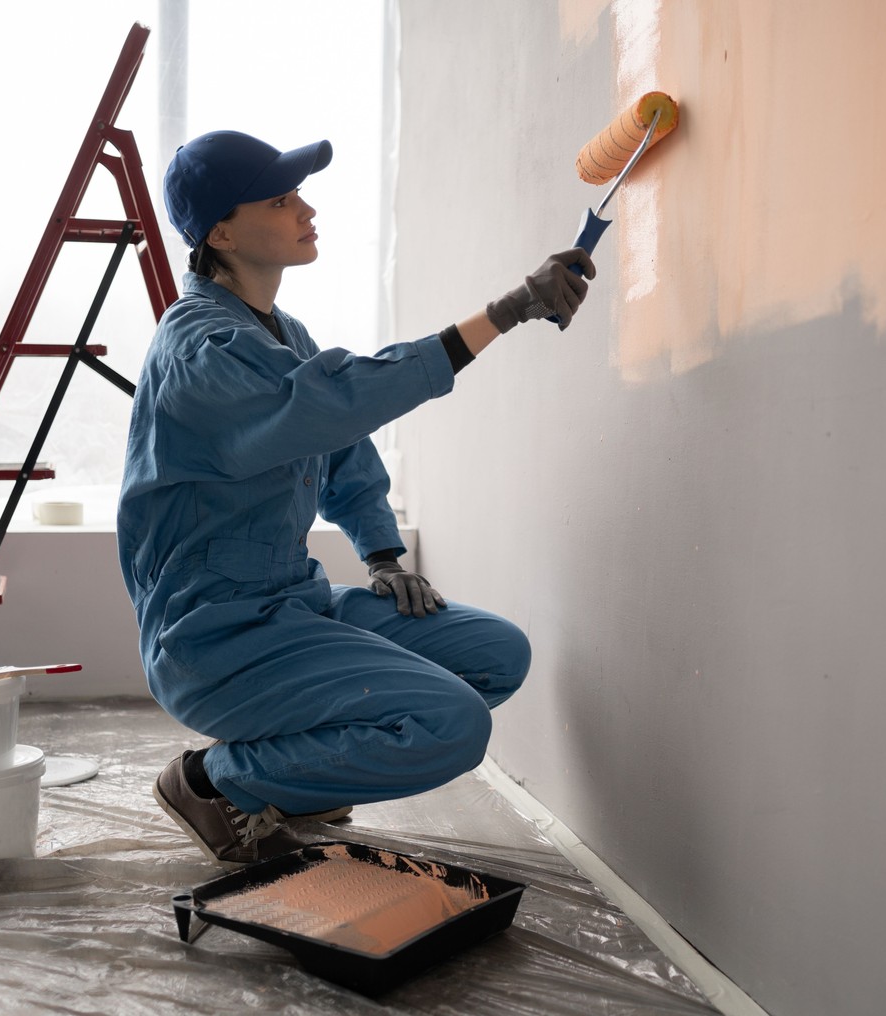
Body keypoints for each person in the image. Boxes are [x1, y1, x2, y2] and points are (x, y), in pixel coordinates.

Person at [117, 130, 592, 867]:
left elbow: (343, 455)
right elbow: (327, 403)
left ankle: (297, 781)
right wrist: (502, 313)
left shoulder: (283, 333)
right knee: (453, 725)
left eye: (300, 194)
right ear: (221, 231)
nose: (305, 209)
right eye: (280, 199)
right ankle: (214, 781)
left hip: (291, 603)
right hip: (216, 639)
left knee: (498, 654)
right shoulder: (198, 347)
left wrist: (382, 555)